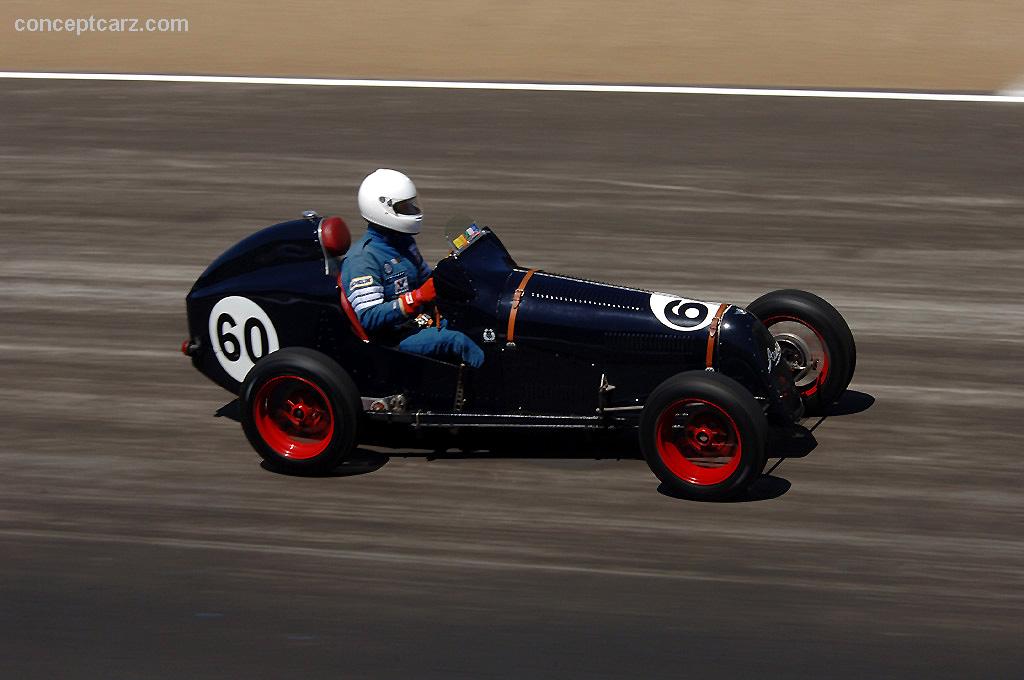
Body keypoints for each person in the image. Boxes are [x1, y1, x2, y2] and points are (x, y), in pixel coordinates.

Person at [341, 169, 485, 368]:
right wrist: (416, 298)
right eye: (404, 207)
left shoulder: (404, 242)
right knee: (457, 341)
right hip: (391, 339)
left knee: (478, 324)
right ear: (382, 208)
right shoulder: (362, 259)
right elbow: (368, 317)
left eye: (411, 204)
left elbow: (428, 281)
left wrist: (452, 266)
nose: (411, 210)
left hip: (417, 322)